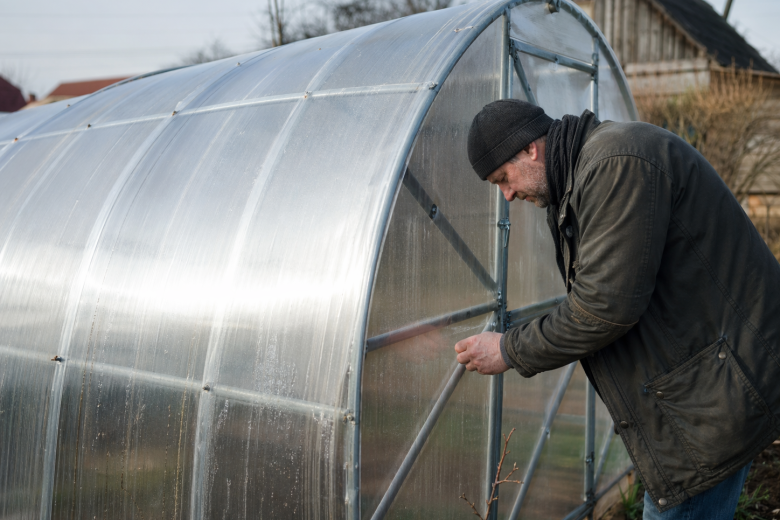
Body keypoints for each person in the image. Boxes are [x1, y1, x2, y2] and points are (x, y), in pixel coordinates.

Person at [454, 99, 780, 519]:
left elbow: (603, 309)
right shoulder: (584, 176)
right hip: (708, 383)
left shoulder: (616, 164)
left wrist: (508, 350)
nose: (508, 194)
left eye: (504, 177)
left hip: (715, 395)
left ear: (530, 149)